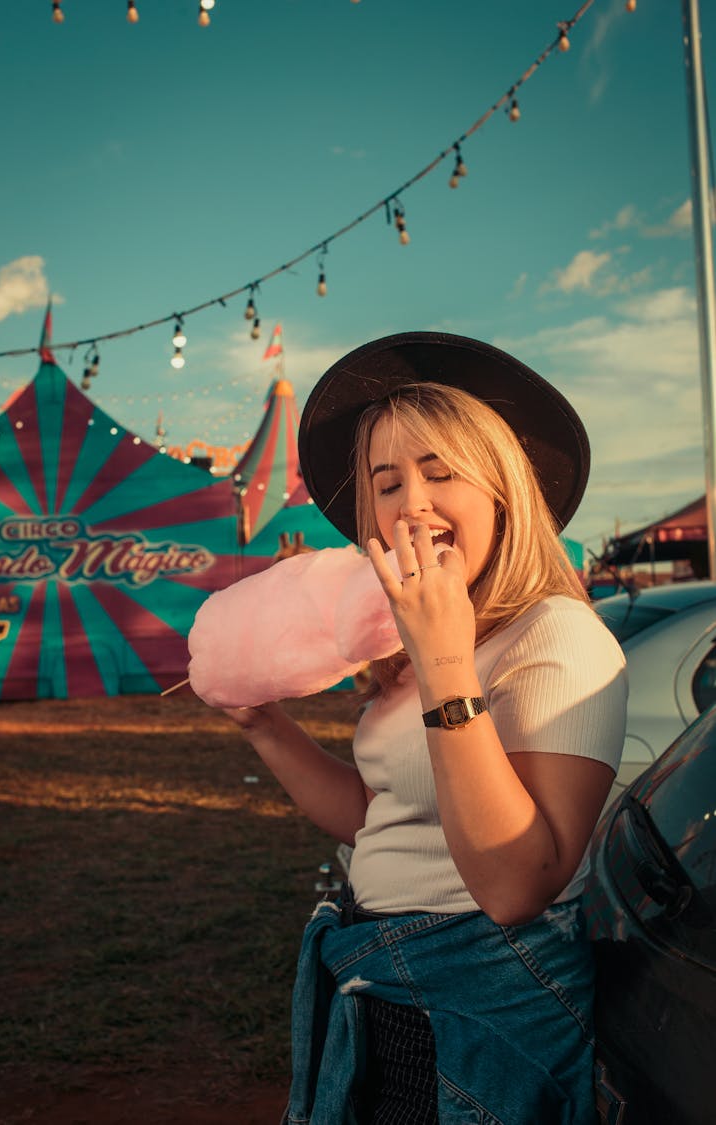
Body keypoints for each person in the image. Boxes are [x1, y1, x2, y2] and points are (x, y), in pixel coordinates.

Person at [224, 332, 627, 1125]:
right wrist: (265, 727)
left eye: (441, 473)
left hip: (483, 1007)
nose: (412, 502)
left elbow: (518, 884)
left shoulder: (557, 634)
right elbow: (382, 818)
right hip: (378, 990)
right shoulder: (407, 652)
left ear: (503, 491)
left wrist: (446, 659)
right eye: (388, 483)